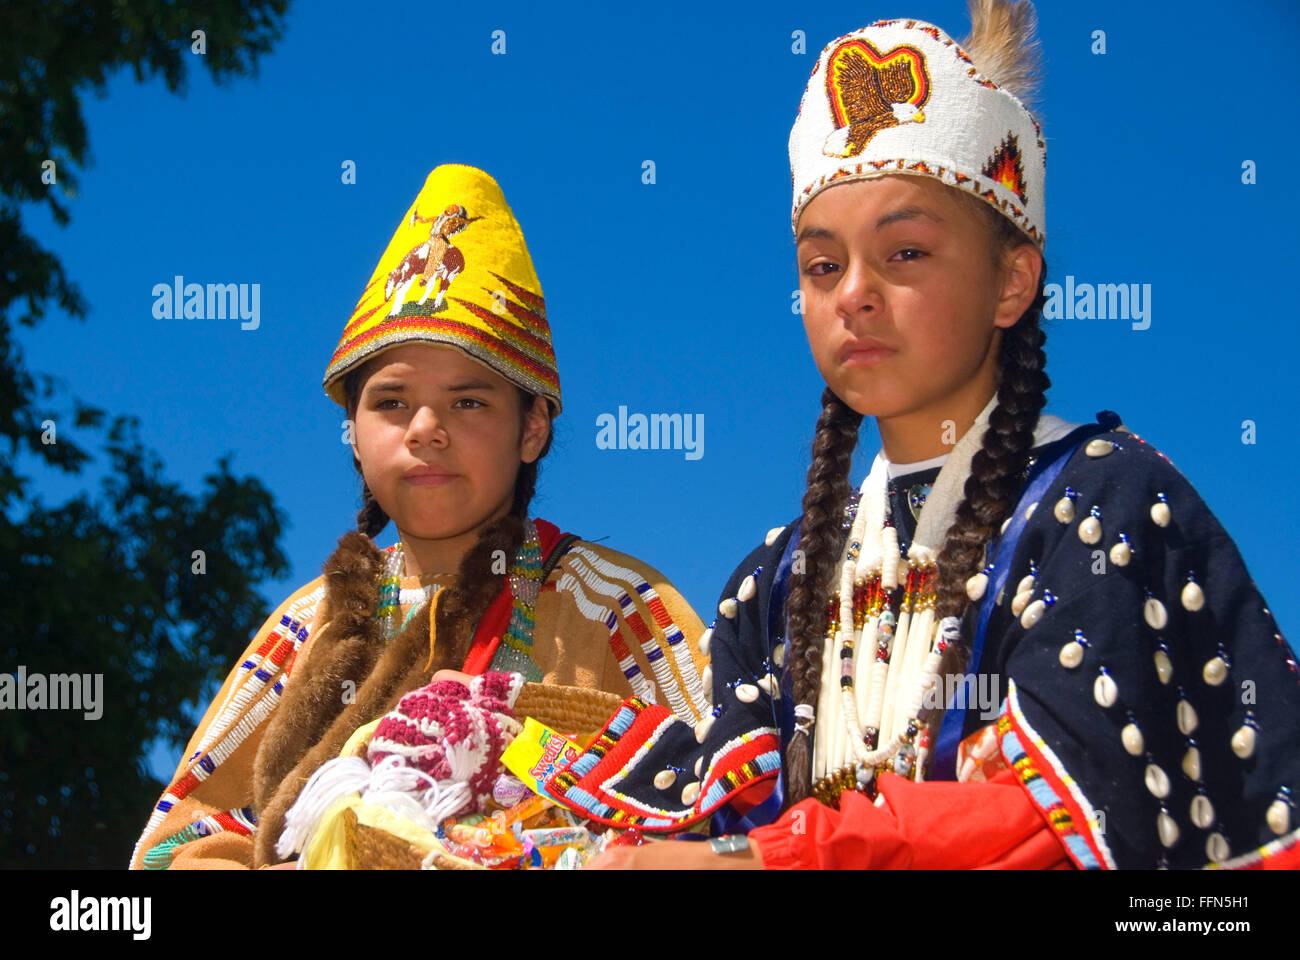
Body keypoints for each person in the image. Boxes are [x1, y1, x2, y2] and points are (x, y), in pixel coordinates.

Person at [555, 1, 1300, 869]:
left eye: (905, 253)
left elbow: (1051, 823)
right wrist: (508, 737)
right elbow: (721, 803)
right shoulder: (774, 585)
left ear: (1011, 282)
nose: (854, 294)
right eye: (822, 265)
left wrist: (760, 864)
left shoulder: (1102, 506)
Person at [129, 164, 710, 870]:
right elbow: (170, 849)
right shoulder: (297, 634)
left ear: (533, 429)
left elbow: (723, 804)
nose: (426, 429)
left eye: (469, 402)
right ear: (354, 431)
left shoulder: (618, 610)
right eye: (392, 402)